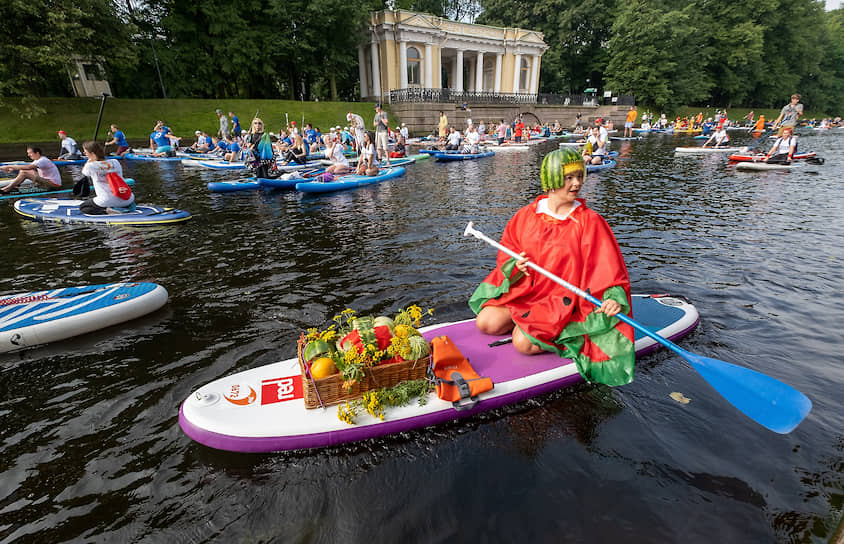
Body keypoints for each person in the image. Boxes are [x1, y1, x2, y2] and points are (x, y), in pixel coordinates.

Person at [469, 148, 634, 385]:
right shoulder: (526, 215)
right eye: (569, 177)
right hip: (528, 293)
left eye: (579, 176)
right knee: (486, 322)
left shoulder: (589, 222)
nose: (577, 183)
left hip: (563, 303)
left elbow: (608, 268)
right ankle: (529, 323)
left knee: (522, 344)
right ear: (552, 179)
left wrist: (612, 297)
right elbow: (507, 255)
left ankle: (550, 333)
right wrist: (517, 267)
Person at [77, 141, 135, 215]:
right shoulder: (115, 162)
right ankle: (127, 205)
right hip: (128, 198)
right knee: (122, 200)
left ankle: (107, 211)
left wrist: (89, 161)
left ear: (92, 154)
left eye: (85, 152)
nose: (85, 154)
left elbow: (84, 173)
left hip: (106, 200)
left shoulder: (90, 166)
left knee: (83, 207)